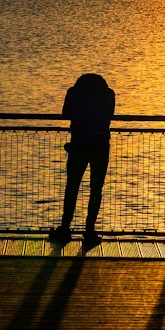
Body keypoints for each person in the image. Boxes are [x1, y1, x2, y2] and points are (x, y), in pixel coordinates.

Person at [50, 71, 116, 250]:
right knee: (96, 188)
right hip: (100, 143)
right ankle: (89, 230)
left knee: (72, 186)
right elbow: (110, 114)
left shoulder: (74, 92)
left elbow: (65, 114)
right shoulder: (108, 94)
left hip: (79, 142)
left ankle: (65, 227)